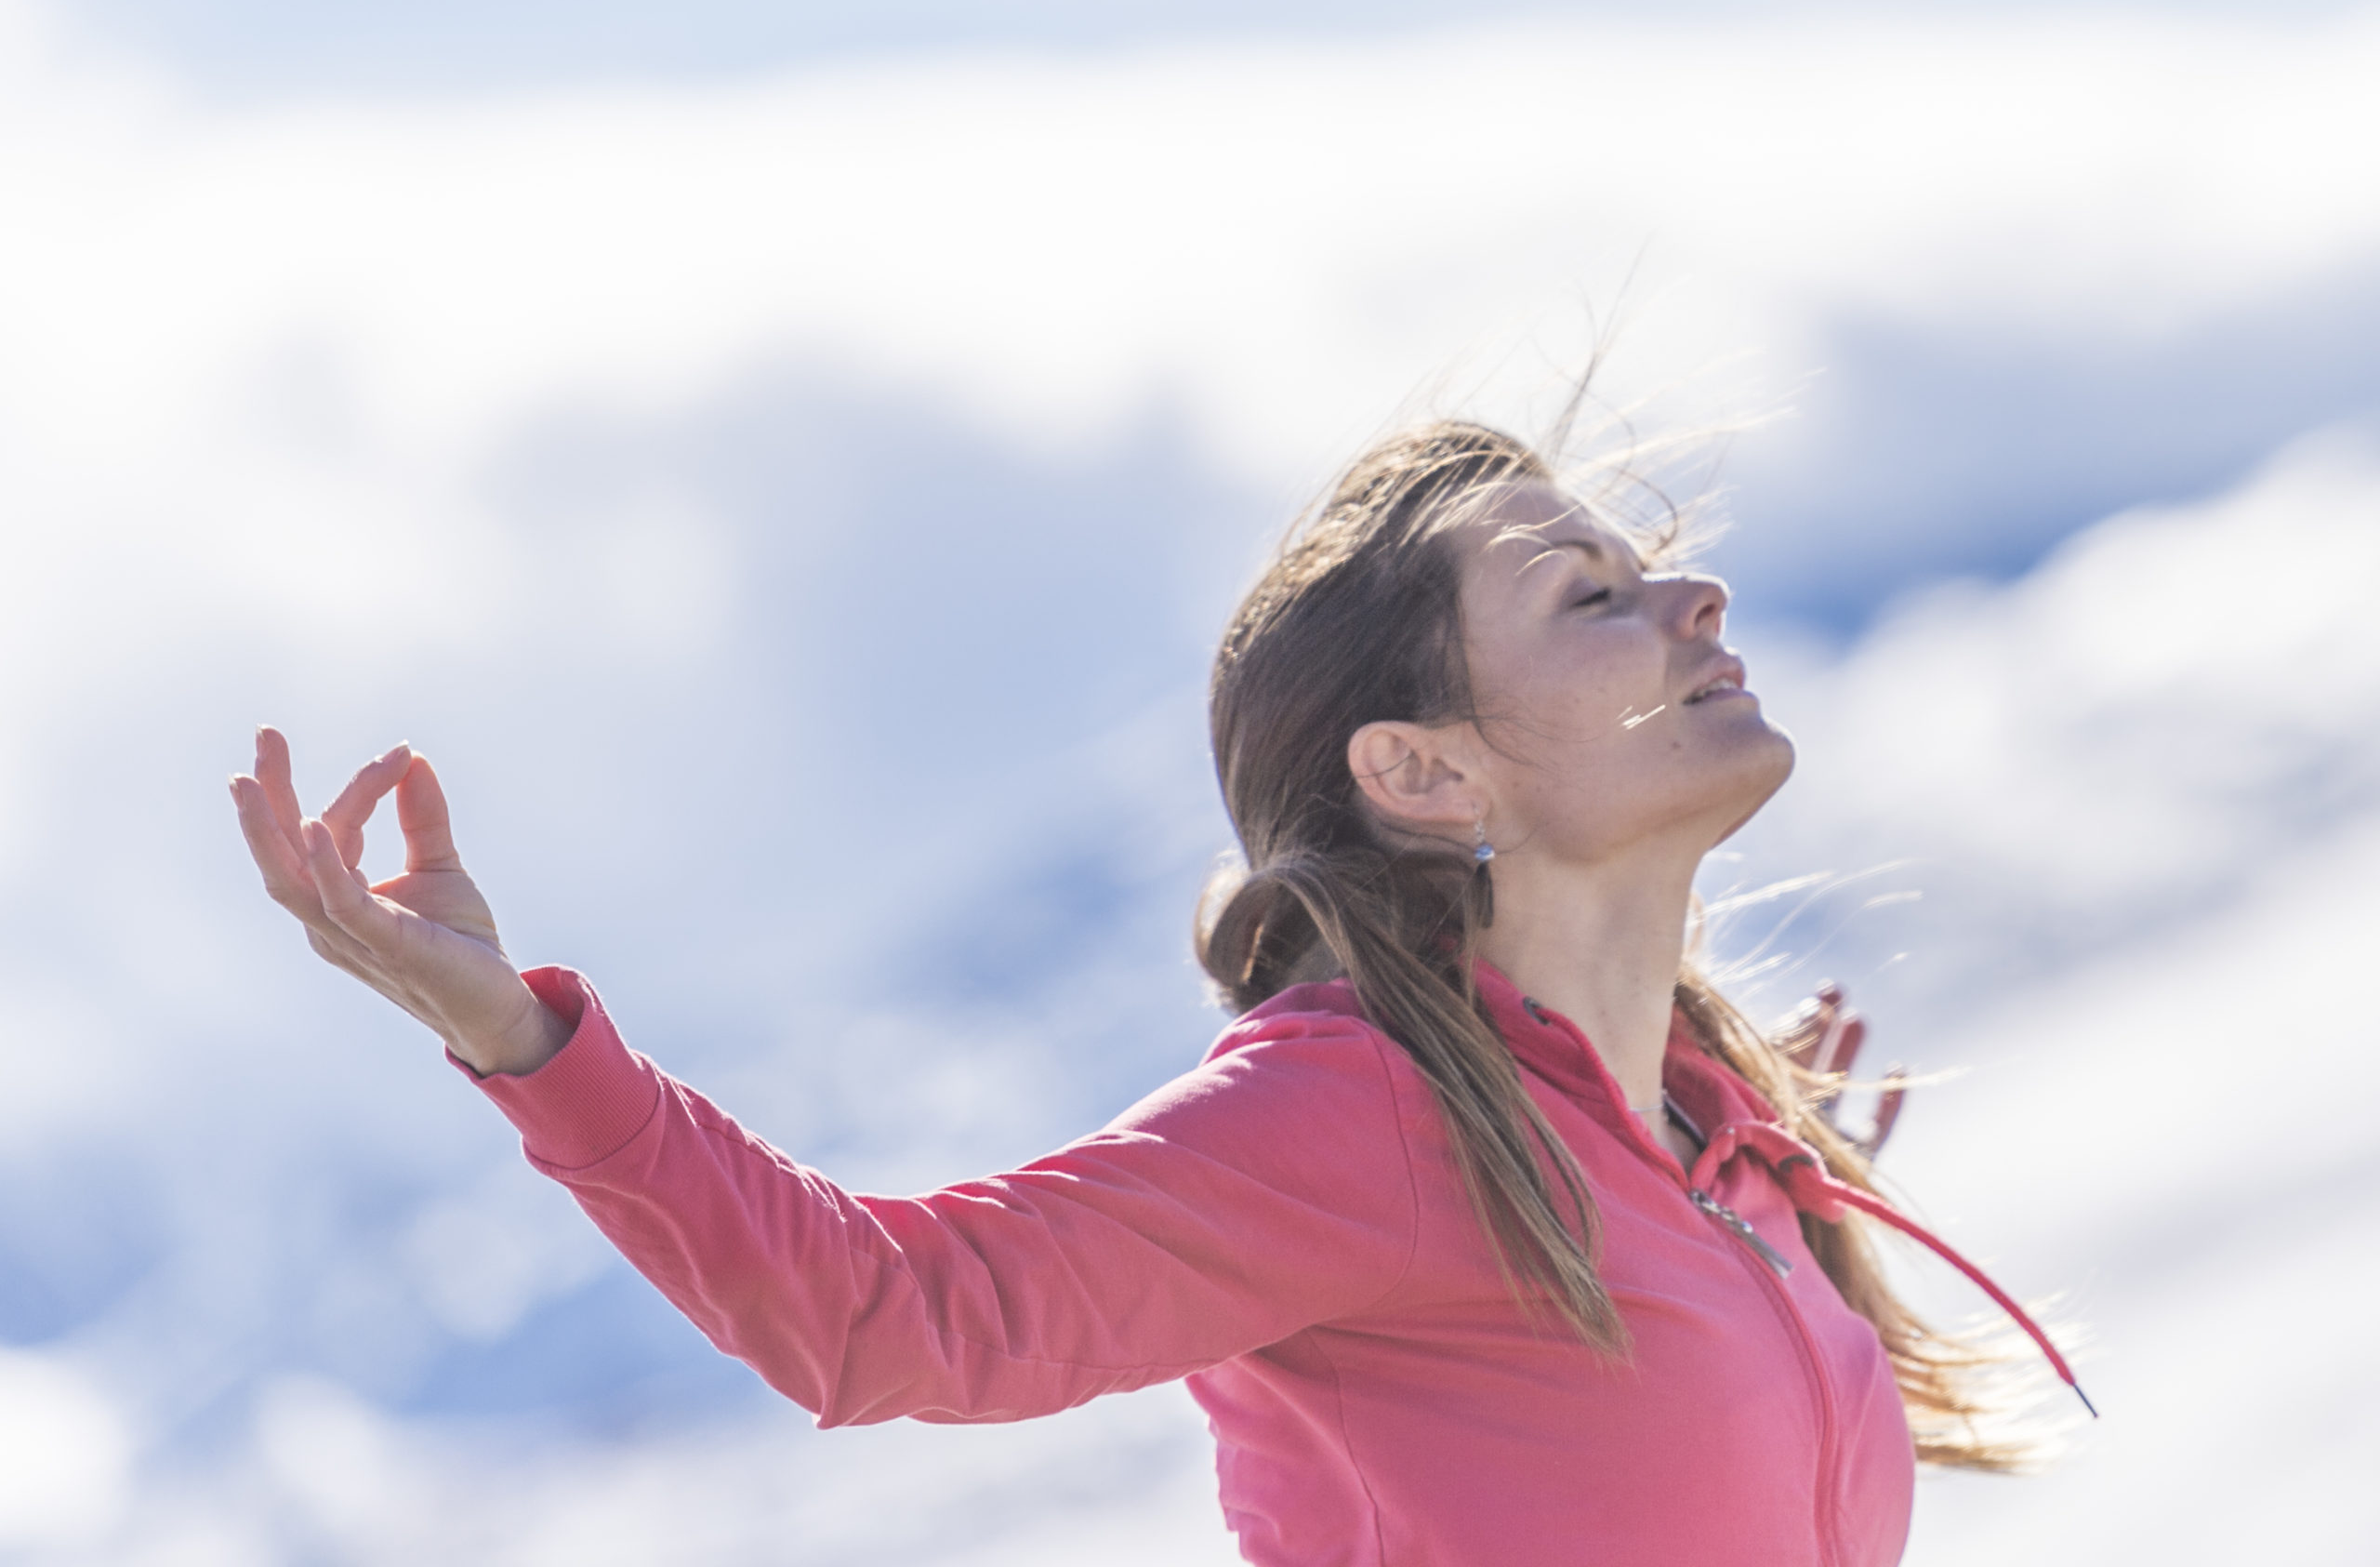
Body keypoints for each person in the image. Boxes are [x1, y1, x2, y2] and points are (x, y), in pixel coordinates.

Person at [230, 419, 2081, 1566]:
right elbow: (890, 1321)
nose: (1694, 597)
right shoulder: (1357, 1116)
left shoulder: (1713, 1142)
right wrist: (525, 1041)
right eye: (1586, 596)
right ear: (1424, 774)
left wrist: (1762, 1212)